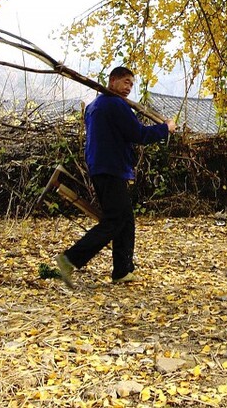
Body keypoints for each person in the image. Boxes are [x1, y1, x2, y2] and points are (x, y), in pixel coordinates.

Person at [55, 66, 175, 287]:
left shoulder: (94, 106)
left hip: (101, 167)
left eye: (131, 83)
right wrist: (165, 128)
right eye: (125, 81)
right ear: (112, 81)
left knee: (125, 220)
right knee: (115, 220)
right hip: (111, 168)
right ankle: (69, 259)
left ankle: (122, 270)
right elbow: (139, 134)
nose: (129, 87)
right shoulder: (115, 105)